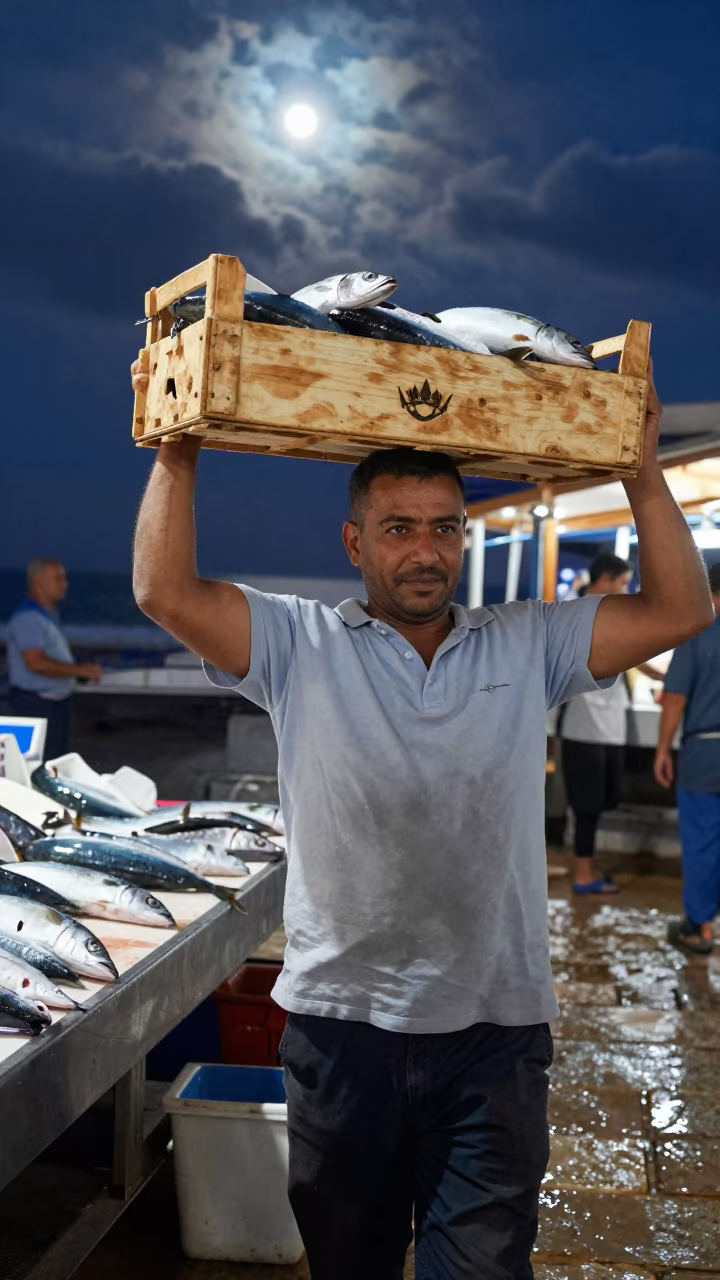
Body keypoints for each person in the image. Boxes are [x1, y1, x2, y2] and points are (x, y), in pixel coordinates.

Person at [131, 353, 710, 1280]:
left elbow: (683, 607)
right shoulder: (297, 641)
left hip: (496, 1034)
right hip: (340, 1032)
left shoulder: (528, 642)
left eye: (445, 529)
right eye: (399, 528)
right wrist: (179, 447)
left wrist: (642, 472)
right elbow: (164, 592)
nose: (426, 550)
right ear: (355, 542)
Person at [559, 553, 664, 894]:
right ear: (604, 579)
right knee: (587, 806)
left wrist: (665, 675)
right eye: (623, 581)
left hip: (600, 728)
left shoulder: (585, 613)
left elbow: (633, 654)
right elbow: (632, 653)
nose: (626, 588)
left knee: (595, 804)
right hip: (584, 728)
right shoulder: (580, 614)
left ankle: (585, 868)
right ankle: (583, 874)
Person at [654, 561, 720, 954]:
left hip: (706, 752)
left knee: (702, 840)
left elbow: (675, 697)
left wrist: (663, 749)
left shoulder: (698, 633)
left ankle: (699, 928)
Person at [6, 559, 101, 761]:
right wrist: (79, 671)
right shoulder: (29, 617)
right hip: (35, 704)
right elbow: (35, 662)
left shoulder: (46, 614)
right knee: (38, 764)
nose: (64, 584)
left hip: (52, 702)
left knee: (54, 761)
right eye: (58, 579)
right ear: (39, 582)